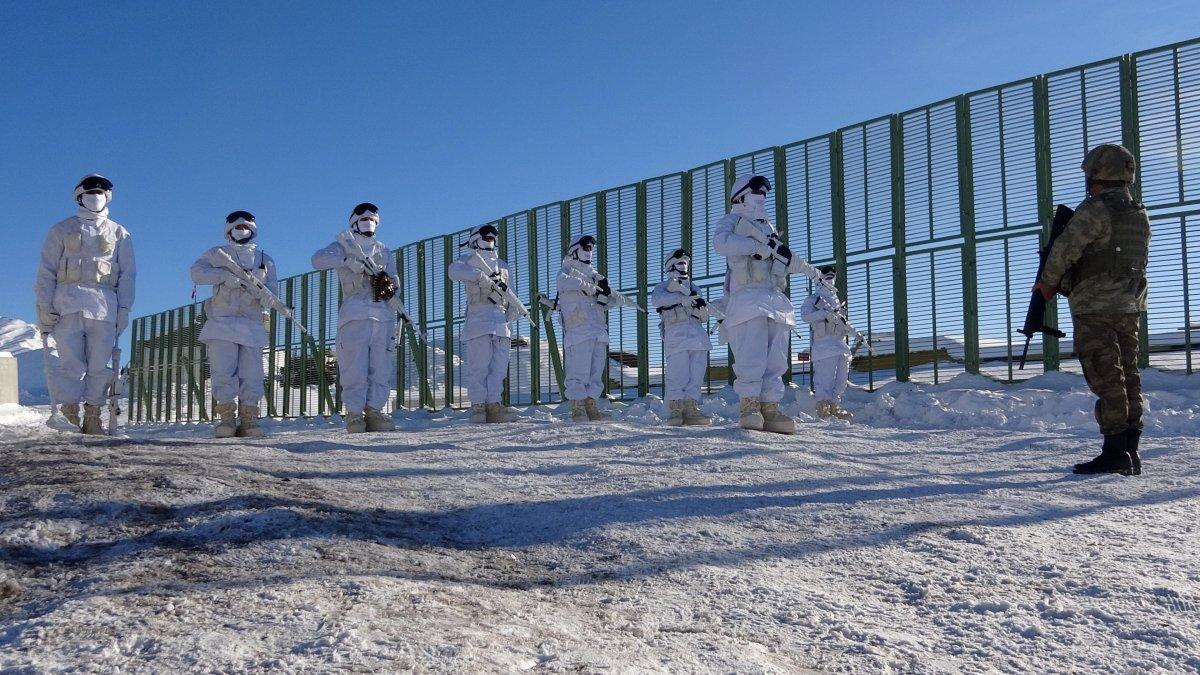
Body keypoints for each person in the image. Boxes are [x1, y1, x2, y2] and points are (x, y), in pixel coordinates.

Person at [1036, 144, 1150, 476]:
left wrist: (1047, 283)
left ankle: (1115, 452)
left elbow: (1064, 249)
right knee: (1129, 375)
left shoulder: (1096, 210)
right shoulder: (1138, 213)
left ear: (1097, 174)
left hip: (1096, 304)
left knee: (1105, 373)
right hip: (1129, 304)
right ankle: (1130, 451)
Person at [713, 175, 820, 434]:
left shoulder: (768, 227)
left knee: (776, 357)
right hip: (747, 298)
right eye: (756, 193)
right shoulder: (733, 221)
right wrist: (753, 247)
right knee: (752, 353)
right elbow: (721, 243)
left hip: (775, 299)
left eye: (764, 194)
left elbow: (782, 256)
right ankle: (749, 405)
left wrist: (806, 268)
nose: (761, 197)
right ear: (740, 196)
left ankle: (770, 406)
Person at [34, 174, 135, 434]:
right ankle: (69, 415)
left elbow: (127, 275)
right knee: (70, 364)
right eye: (90, 193)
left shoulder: (119, 232)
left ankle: (94, 414)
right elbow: (46, 271)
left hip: (104, 306)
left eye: (100, 192)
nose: (95, 197)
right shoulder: (60, 229)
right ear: (79, 196)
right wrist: (44, 306)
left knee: (99, 365)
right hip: (67, 304)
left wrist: (124, 309)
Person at [311, 203, 400, 433]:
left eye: (373, 219)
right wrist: (346, 261)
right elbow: (318, 260)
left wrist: (388, 285)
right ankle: (354, 414)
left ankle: (375, 411)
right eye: (364, 218)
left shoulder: (384, 250)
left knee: (380, 367)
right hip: (354, 314)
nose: (369, 222)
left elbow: (394, 281)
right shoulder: (343, 245)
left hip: (382, 316)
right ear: (353, 222)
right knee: (354, 367)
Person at [189, 211, 277, 438]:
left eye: (246, 226)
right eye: (237, 227)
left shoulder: (264, 259)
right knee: (223, 371)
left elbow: (273, 290)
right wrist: (223, 276)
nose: (242, 230)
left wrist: (267, 298)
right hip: (222, 322)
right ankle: (226, 417)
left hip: (252, 322)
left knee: (252, 373)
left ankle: (249, 418)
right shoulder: (217, 254)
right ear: (228, 230)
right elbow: (196, 273)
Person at [448, 224, 522, 423]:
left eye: (492, 237)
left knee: (498, 367)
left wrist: (514, 309)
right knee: (479, 366)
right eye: (486, 237)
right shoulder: (468, 260)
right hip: (478, 320)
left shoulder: (503, 265)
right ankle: (479, 406)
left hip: (500, 321)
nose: (490, 240)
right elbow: (453, 271)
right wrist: (479, 276)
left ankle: (494, 404)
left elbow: (511, 291)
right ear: (474, 239)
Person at [651, 249, 713, 426]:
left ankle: (691, 407)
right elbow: (657, 300)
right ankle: (676, 409)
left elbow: (704, 317)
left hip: (697, 336)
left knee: (696, 373)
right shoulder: (663, 287)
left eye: (686, 261)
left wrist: (701, 309)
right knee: (678, 372)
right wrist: (680, 298)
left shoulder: (694, 287)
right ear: (670, 265)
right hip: (677, 334)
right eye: (679, 261)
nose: (684, 264)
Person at [556, 235, 612, 422]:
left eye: (590, 249)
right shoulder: (567, 272)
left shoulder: (596, 276)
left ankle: (591, 404)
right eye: (585, 248)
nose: (589, 252)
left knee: (596, 371)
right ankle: (578, 406)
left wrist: (606, 292)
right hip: (578, 330)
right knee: (578, 370)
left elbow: (606, 302)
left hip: (598, 330)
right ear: (574, 250)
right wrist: (588, 286)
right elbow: (563, 282)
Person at [800, 265, 853, 420]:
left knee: (841, 379)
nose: (830, 277)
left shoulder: (836, 301)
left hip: (840, 344)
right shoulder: (813, 299)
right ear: (820, 277)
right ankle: (823, 408)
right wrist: (824, 313)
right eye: (826, 274)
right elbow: (805, 316)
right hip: (824, 345)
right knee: (825, 378)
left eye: (832, 275)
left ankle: (835, 406)